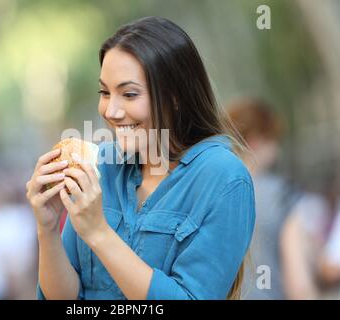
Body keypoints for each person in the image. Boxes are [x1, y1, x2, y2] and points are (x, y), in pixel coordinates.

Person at [26, 16, 255, 300]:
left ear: (175, 96)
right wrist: (47, 228)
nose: (111, 110)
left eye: (129, 94)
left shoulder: (223, 177)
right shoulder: (101, 166)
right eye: (105, 93)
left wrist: (99, 232)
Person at [226, 98, 301, 299]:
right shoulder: (280, 193)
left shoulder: (206, 192)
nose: (277, 149)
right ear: (256, 140)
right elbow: (299, 284)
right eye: (273, 139)